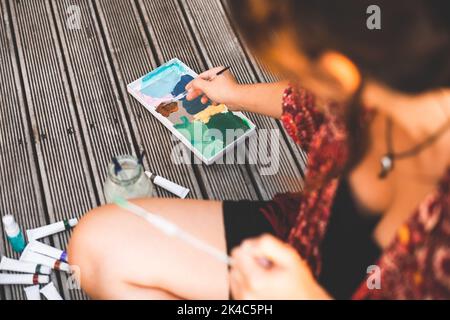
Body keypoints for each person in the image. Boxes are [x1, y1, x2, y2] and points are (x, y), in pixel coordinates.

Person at [68, 0, 450, 299]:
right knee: (96, 249)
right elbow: (309, 102)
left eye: (298, 71)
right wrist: (233, 96)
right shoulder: (380, 81)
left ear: (341, 73)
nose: (298, 86)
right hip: (300, 242)